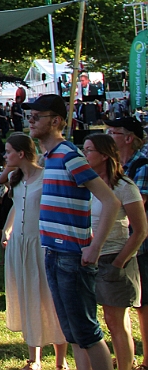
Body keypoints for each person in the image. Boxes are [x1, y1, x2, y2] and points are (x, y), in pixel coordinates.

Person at [31, 94, 122, 370]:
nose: (31, 120)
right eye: (30, 116)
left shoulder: (70, 155)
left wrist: (94, 248)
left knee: (86, 333)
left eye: (38, 116)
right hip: (55, 252)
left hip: (71, 255)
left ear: (56, 121)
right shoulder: (50, 157)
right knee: (73, 333)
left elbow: (111, 201)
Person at [1, 133, 69, 370]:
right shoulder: (15, 178)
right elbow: (17, 207)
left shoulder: (46, 176)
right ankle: (34, 358)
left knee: (50, 297)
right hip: (20, 245)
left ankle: (61, 360)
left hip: (41, 243)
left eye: (9, 151)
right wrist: (7, 229)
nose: (5, 155)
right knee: (27, 295)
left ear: (21, 153)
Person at [83, 133, 148, 370]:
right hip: (88, 259)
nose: (84, 155)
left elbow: (140, 231)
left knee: (115, 321)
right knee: (98, 321)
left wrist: (119, 263)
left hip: (114, 257)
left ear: (104, 155)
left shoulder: (124, 186)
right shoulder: (86, 184)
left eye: (89, 150)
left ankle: (124, 366)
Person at [106, 116, 148, 369]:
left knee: (144, 306)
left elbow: (137, 204)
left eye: (114, 132)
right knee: (121, 305)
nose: (109, 135)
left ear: (129, 138)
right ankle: (127, 356)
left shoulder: (142, 165)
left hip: (140, 246)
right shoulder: (118, 167)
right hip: (119, 243)